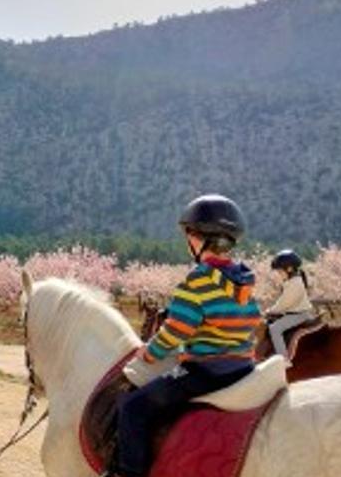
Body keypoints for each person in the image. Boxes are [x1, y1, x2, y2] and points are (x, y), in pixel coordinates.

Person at [108, 194, 262, 477]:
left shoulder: (198, 279)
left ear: (200, 239)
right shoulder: (244, 280)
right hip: (243, 367)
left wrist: (149, 352)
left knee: (133, 407)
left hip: (206, 371)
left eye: (189, 234)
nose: (187, 239)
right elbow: (254, 320)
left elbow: (176, 331)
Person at [266, 249, 314, 365]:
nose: (279, 274)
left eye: (280, 271)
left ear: (289, 269)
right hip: (295, 313)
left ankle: (284, 360)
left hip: (299, 315)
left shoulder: (295, 284)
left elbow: (284, 303)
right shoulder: (292, 281)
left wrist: (271, 310)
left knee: (275, 329)